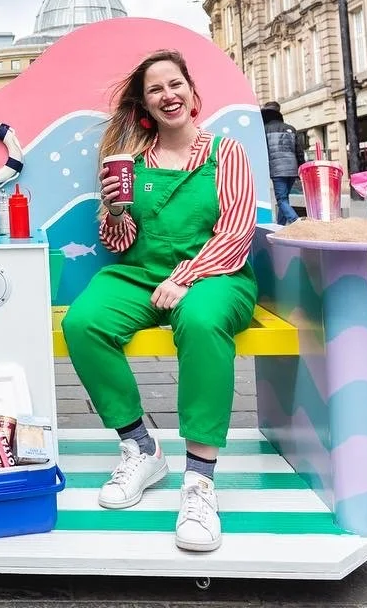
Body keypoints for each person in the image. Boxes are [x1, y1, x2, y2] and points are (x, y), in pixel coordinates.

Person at [61, 49, 258, 553]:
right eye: (156, 89)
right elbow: (120, 244)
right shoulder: (132, 163)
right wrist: (115, 209)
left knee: (201, 320)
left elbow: (237, 231)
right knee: (83, 322)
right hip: (141, 273)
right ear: (145, 104)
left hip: (218, 274)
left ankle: (200, 482)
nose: (168, 95)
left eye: (175, 84)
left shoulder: (226, 153)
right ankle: (140, 448)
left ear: (191, 92)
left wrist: (186, 277)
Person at [260, 101, 305, 224]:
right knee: (285, 199)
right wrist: (301, 168)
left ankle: (296, 222)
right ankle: (280, 225)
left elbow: (263, 151)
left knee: (281, 199)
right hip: (292, 169)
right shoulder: (291, 129)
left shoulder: (264, 130)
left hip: (277, 170)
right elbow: (299, 151)